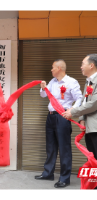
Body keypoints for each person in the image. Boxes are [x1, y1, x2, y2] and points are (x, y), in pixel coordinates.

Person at [35, 59, 82, 188]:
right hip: (50, 117)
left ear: (59, 68)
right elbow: (43, 95)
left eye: (53, 67)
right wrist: (43, 88)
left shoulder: (71, 82)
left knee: (64, 148)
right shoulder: (52, 82)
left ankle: (64, 178)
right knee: (50, 147)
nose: (51, 70)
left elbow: (80, 98)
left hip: (62, 117)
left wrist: (72, 110)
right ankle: (48, 173)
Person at [63, 54, 97, 161]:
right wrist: (82, 119)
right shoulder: (89, 81)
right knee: (92, 158)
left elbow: (93, 103)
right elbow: (85, 100)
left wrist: (73, 112)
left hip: (95, 127)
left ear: (91, 65)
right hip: (89, 127)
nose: (81, 67)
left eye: (83, 64)